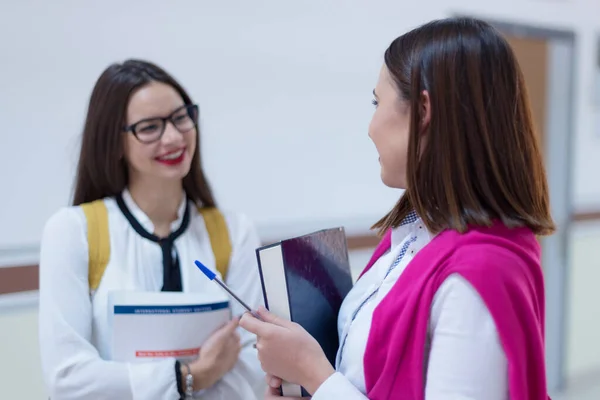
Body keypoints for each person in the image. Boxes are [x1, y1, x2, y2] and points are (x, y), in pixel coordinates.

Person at [239, 17, 554, 400]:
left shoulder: (480, 272)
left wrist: (314, 375)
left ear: (423, 111)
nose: (370, 126)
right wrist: (306, 383)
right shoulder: (414, 231)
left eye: (377, 102)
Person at [38, 59, 265, 400]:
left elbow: (255, 365)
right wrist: (191, 376)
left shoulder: (234, 232)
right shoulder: (73, 232)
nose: (173, 137)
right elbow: (68, 378)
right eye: (149, 128)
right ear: (114, 143)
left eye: (180, 117)